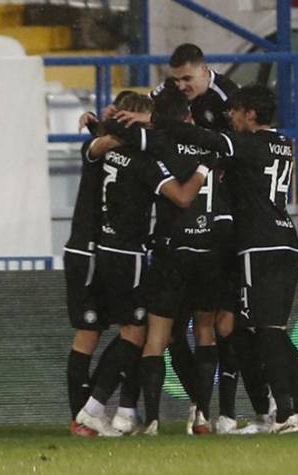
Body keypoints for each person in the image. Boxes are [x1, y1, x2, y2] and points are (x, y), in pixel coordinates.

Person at [154, 84, 298, 434]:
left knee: (266, 332)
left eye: (236, 110)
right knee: (269, 331)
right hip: (285, 240)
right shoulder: (283, 144)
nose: (230, 115)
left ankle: (283, 414)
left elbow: (209, 139)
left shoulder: (250, 144)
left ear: (251, 114)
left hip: (259, 244)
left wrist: (161, 122)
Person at [71, 92, 211, 437]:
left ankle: (123, 412)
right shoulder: (145, 161)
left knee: (131, 332)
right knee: (135, 334)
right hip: (127, 253)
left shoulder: (105, 151)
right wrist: (203, 169)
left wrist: (101, 124)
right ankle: (92, 411)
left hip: (102, 250)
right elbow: (182, 197)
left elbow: (101, 141)